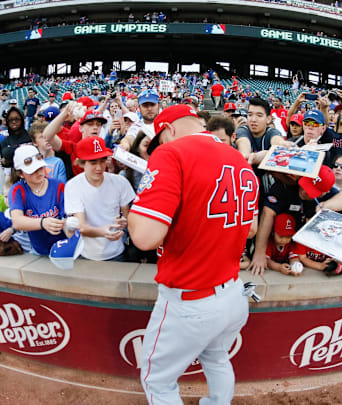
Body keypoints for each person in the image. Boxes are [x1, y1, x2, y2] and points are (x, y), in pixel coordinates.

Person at [128, 104, 259, 404]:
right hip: (234, 294)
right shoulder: (239, 159)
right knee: (216, 359)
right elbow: (250, 229)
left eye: (160, 139)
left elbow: (145, 237)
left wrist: (136, 211)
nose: (159, 146)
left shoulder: (172, 153)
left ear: (170, 129)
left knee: (156, 380)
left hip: (191, 299)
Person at [64, 136, 136, 261]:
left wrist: (125, 221)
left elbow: (127, 215)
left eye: (102, 161)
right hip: (86, 253)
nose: (99, 167)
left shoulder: (120, 182)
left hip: (117, 252)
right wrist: (102, 232)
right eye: (93, 162)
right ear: (81, 163)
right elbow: (81, 226)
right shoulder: (73, 186)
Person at [8, 144, 66, 255]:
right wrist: (43, 223)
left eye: (40, 168)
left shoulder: (59, 186)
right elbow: (17, 221)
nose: (39, 172)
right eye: (32, 171)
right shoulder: (18, 190)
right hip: (39, 251)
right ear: (21, 174)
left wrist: (68, 224)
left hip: (64, 248)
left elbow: (68, 217)